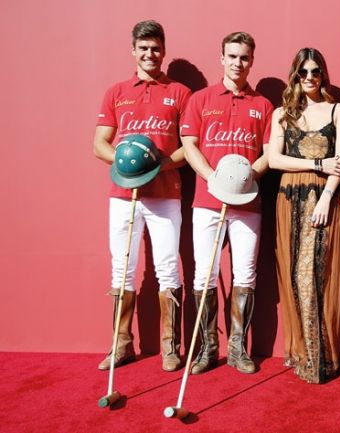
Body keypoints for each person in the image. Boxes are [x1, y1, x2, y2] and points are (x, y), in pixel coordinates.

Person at [93, 20, 191, 372]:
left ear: (163, 51)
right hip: (124, 194)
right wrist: (126, 163)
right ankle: (121, 343)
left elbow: (188, 148)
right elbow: (99, 144)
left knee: (167, 267)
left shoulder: (180, 93)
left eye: (156, 48)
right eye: (144, 48)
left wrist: (158, 164)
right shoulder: (116, 92)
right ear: (133, 51)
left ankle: (170, 346)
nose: (150, 54)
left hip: (165, 194)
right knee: (122, 268)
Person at [268, 48, 340, 383]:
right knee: (296, 276)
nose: (309, 77)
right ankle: (307, 352)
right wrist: (316, 164)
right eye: (303, 72)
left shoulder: (339, 110)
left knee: (320, 276)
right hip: (289, 199)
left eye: (315, 71)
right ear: (295, 75)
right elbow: (274, 159)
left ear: (323, 74)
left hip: (326, 199)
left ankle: (324, 357)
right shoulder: (282, 113)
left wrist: (325, 197)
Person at [180, 31, 273, 375]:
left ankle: (238, 348)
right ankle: (208, 348)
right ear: (222, 58)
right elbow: (189, 144)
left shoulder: (263, 105)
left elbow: (269, 153)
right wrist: (212, 177)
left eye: (244, 57)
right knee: (204, 274)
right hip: (207, 200)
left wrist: (248, 176)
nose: (238, 63)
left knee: (245, 274)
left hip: (248, 203)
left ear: (252, 60)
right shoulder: (201, 99)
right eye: (232, 56)